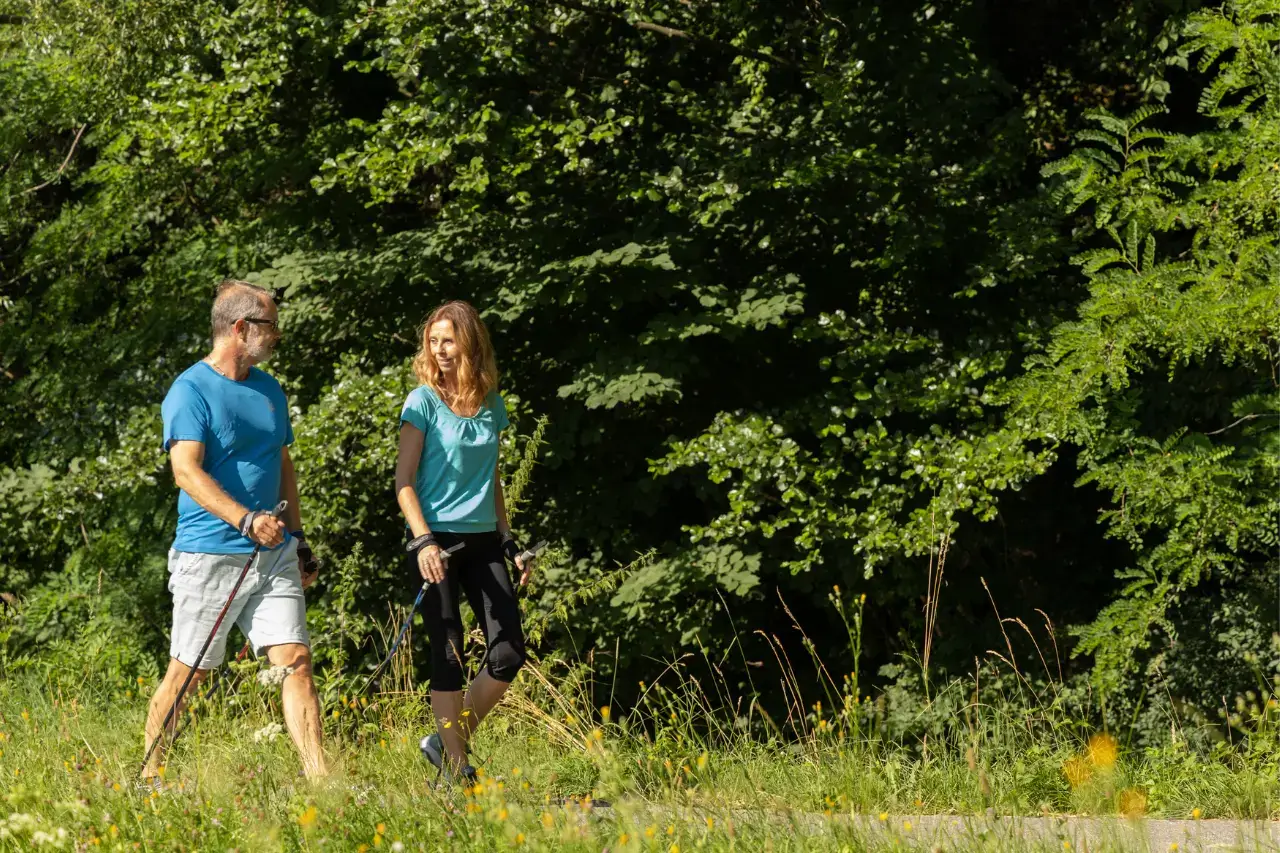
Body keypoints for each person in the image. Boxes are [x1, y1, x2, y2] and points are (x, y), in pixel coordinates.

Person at [141, 279, 328, 784]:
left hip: (274, 553)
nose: (277, 335)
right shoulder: (190, 390)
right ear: (241, 327)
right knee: (191, 671)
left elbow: (282, 462)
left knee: (296, 661)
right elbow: (186, 471)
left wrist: (299, 537)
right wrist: (244, 518)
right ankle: (149, 777)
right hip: (211, 553)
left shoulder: (269, 389)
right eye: (270, 325)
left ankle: (323, 782)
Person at [394, 300, 531, 782]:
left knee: (509, 650)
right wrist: (424, 541)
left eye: (448, 340)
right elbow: (403, 481)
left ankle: (444, 741)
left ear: (469, 342)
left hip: (483, 540)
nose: (440, 350)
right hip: (436, 543)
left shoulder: (492, 402)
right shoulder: (423, 402)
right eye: (433, 341)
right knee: (449, 650)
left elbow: (490, 477)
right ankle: (457, 768)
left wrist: (509, 539)